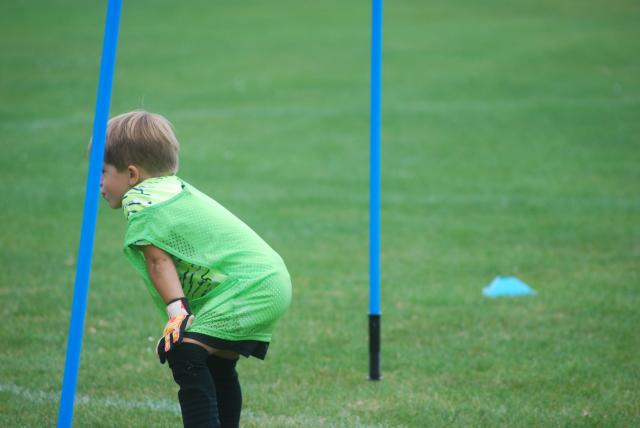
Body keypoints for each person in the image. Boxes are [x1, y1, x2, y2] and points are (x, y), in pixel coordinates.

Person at [99, 110, 292, 428]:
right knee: (216, 364)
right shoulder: (169, 189)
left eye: (102, 172)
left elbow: (158, 261)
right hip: (266, 278)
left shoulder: (143, 203)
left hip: (250, 284)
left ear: (131, 175)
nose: (98, 183)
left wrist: (178, 314)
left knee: (184, 353)